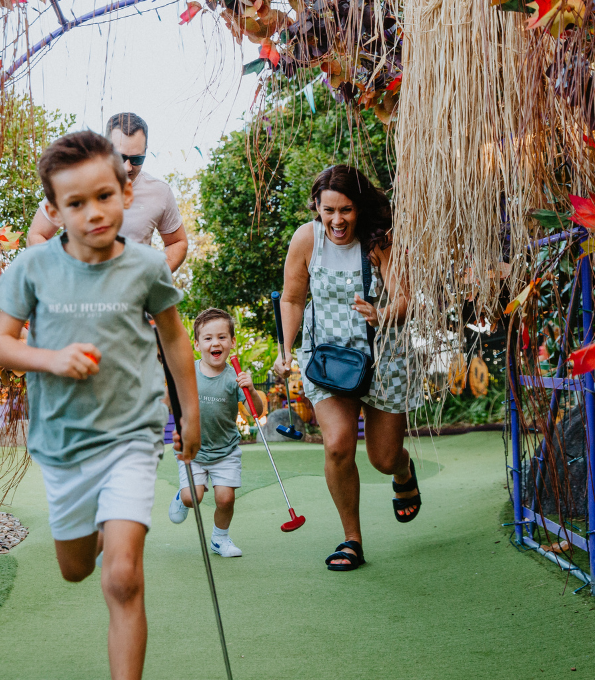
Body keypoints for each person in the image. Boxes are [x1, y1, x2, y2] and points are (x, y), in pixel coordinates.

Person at [0, 130, 200, 680]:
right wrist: (52, 359)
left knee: (122, 577)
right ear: (54, 210)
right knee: (78, 570)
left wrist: (189, 412)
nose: (93, 213)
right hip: (63, 443)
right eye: (75, 203)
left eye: (104, 196)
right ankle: (103, 525)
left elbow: (175, 338)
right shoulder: (32, 268)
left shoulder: (148, 266)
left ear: (126, 194)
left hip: (131, 433)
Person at [273, 165, 424, 573]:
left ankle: (403, 470)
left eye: (346, 210)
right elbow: (291, 299)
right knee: (338, 445)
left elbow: (406, 298)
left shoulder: (379, 241)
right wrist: (287, 349)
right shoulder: (307, 239)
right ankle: (351, 539)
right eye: (328, 211)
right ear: (317, 209)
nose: (337, 220)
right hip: (327, 361)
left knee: (383, 457)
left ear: (359, 208)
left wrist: (381, 313)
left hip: (381, 358)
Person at [27, 112, 189, 272]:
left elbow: (177, 242)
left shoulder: (159, 192)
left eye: (137, 159)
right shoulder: (74, 181)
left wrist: (154, 278)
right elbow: (37, 235)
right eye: (120, 157)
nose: (128, 167)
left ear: (146, 151)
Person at [167, 308, 265, 558]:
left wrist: (251, 390)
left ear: (232, 342)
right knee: (193, 498)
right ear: (197, 343)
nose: (215, 343)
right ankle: (181, 496)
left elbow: (258, 411)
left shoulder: (236, 377)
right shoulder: (188, 371)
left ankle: (220, 539)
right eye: (208, 338)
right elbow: (169, 401)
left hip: (225, 451)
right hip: (193, 450)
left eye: (222, 337)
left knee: (225, 499)